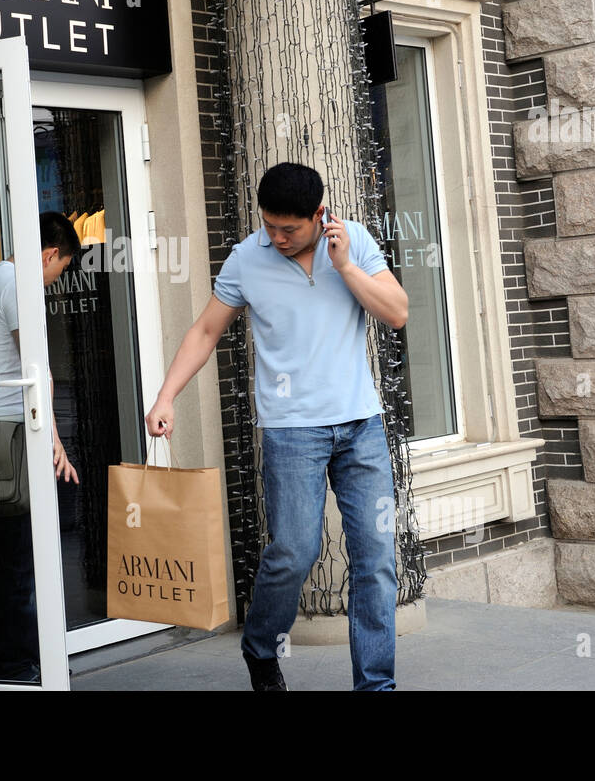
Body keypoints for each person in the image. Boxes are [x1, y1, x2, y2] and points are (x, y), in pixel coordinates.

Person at [144, 162, 408, 691]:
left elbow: (397, 312)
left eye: (290, 229)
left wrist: (347, 267)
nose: (278, 238)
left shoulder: (352, 240)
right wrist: (166, 396)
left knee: (376, 559)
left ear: (319, 214)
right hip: (292, 431)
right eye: (270, 226)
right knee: (293, 551)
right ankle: (262, 648)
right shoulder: (247, 257)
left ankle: (376, 685)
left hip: (360, 425)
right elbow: (205, 330)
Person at [0, 211, 81, 682]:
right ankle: (20, 663)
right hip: (10, 434)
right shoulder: (19, 287)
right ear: (49, 254)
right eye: (59, 269)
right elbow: (35, 369)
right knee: (20, 556)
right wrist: (54, 441)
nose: (53, 280)